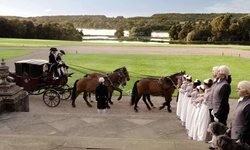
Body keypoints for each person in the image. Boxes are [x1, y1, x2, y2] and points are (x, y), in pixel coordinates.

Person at [231, 81, 250, 147]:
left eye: (239, 89)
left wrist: (242, 139)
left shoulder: (248, 105)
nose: (236, 90)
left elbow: (248, 124)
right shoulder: (242, 101)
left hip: (241, 138)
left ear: (246, 91)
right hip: (236, 134)